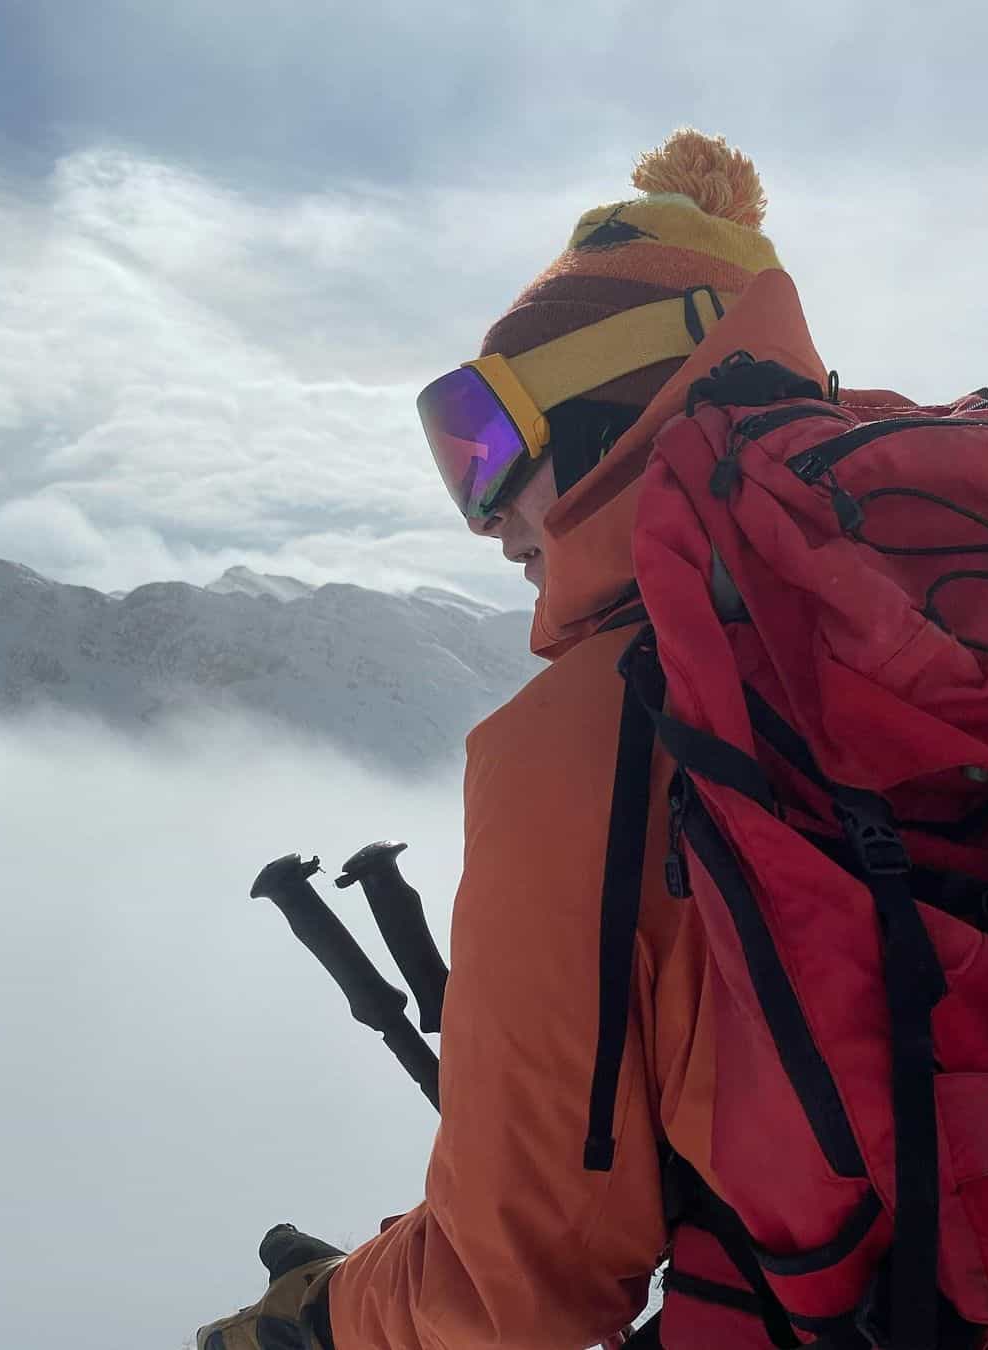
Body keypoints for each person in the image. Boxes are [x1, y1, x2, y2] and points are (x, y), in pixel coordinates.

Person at [198, 127, 839, 1350]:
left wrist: (317, 1319)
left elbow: (517, 1285)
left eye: (490, 452)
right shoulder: (952, 587)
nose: (488, 523)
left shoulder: (605, 724)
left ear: (616, 418)